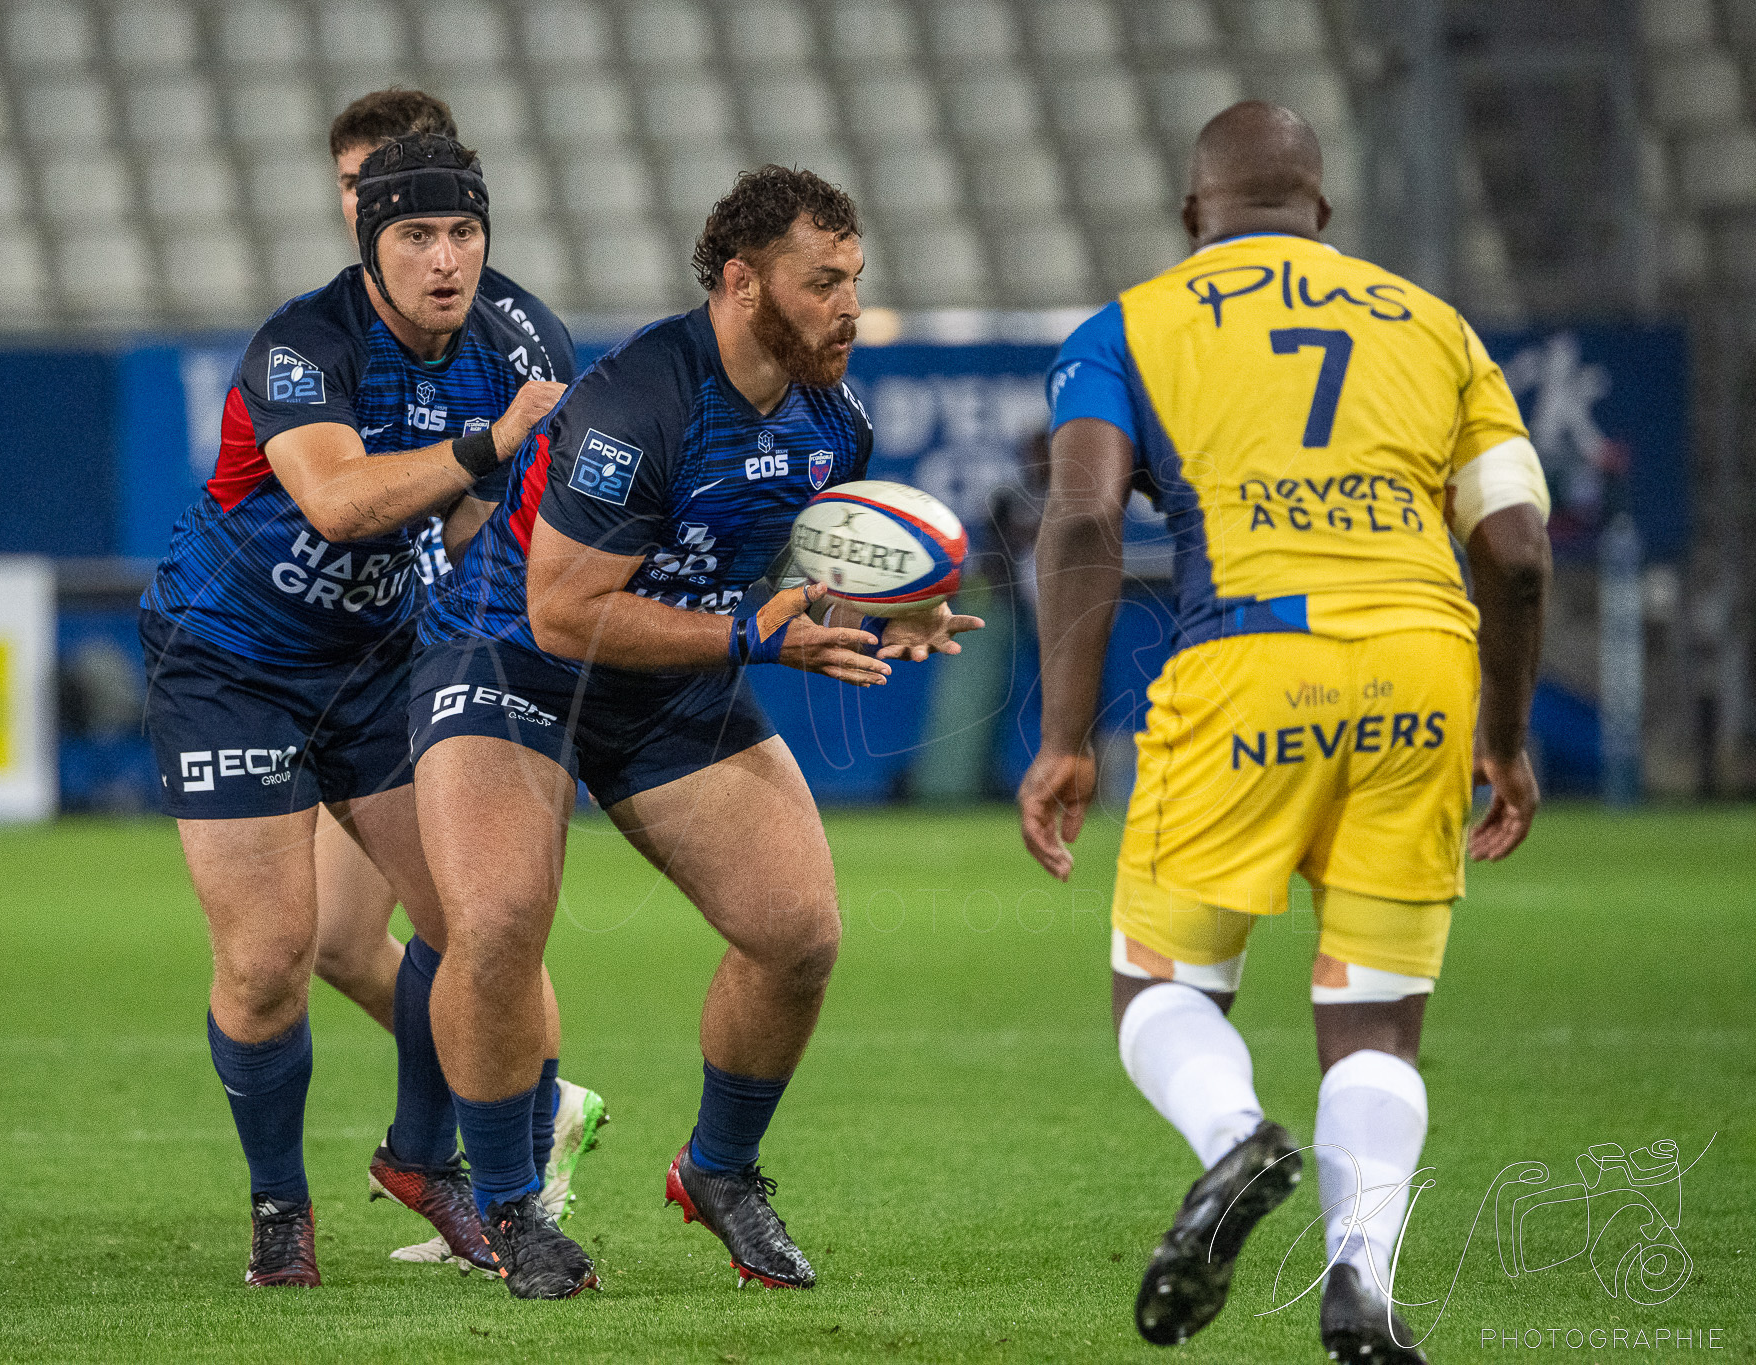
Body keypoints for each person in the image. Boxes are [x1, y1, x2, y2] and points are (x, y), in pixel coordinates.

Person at [1017, 102, 1550, 1363]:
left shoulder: (1127, 328)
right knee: (1373, 1025)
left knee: (1159, 985)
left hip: (1248, 658)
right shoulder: (1436, 328)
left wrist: (1060, 740)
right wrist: (1506, 736)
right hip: (1423, 665)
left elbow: (1084, 522)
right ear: (1320, 211)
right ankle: (1357, 1278)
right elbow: (1519, 557)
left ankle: (1232, 1142)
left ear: (1193, 212)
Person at [407, 166, 982, 1298]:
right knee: (499, 920)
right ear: (739, 282)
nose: (848, 307)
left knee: (796, 931)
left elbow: (788, 562)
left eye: (854, 280)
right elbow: (562, 610)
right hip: (507, 660)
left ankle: (718, 1172)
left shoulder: (835, 420)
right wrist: (751, 636)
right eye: (822, 282)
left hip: (667, 676)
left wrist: (876, 606)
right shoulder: (635, 406)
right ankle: (516, 1211)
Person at [139, 131, 567, 1286]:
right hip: (229, 660)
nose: (445, 260)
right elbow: (333, 502)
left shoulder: (519, 349)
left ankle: (426, 1162)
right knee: (272, 958)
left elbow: (484, 528)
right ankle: (280, 1206)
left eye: (464, 233)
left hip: (381, 661)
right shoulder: (303, 345)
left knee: (480, 930)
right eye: (415, 236)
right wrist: (488, 443)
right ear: (367, 244)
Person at [311, 88, 606, 1267]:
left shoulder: (516, 340)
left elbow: (523, 521)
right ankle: (531, 1107)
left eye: (378, 181)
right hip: (368, 663)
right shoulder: (340, 331)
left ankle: (488, 1156)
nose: (365, 204)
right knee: (339, 941)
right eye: (350, 187)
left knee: (467, 924)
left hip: (460, 666)